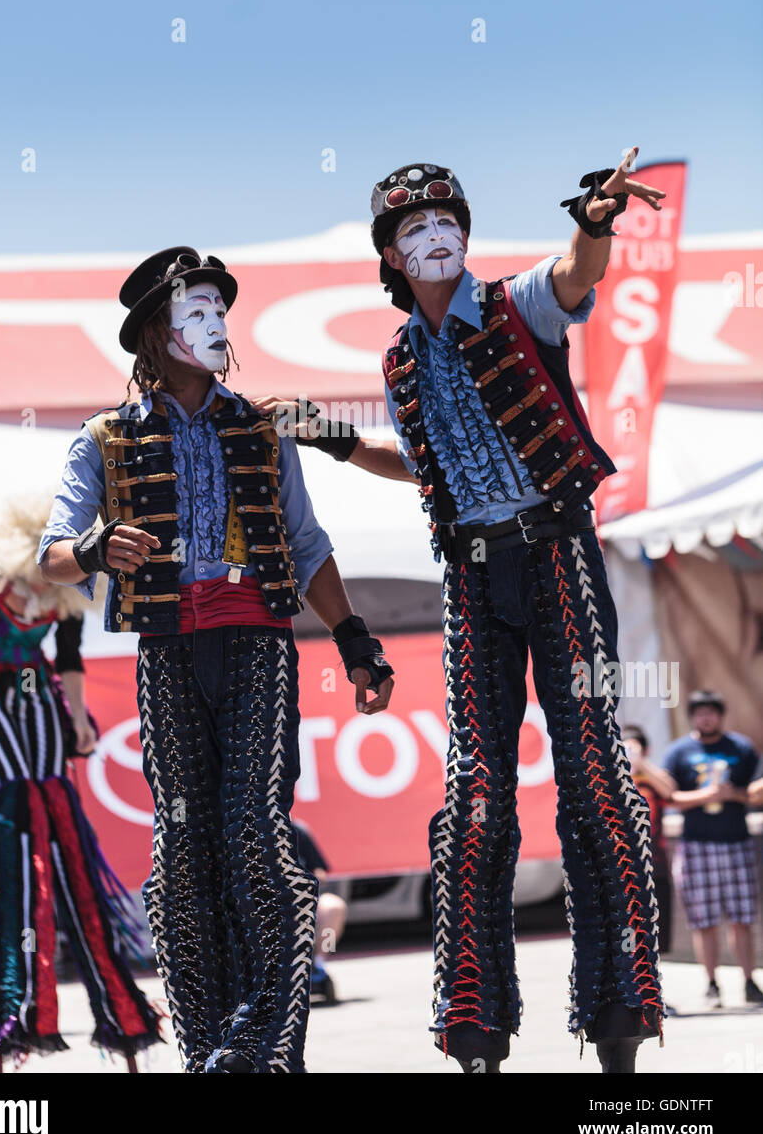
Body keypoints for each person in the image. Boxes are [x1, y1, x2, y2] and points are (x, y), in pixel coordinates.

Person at [272, 153, 667, 1074]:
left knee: (594, 779)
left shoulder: (516, 303)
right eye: (414, 229)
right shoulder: (402, 357)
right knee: (478, 801)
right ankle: (476, 1034)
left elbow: (577, 274)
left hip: (561, 558)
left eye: (447, 219)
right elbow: (424, 462)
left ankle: (619, 1030)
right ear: (392, 256)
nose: (436, 235)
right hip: (471, 576)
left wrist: (596, 222)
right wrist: (327, 437)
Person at [38, 247, 394, 1074]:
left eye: (218, 311)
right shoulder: (103, 439)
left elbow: (307, 547)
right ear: (154, 339)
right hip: (166, 651)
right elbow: (52, 553)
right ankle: (207, 1044)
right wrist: (95, 548)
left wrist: (357, 644)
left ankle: (265, 1037)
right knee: (184, 844)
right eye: (192, 313)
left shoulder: (266, 426)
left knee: (254, 832)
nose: (214, 324)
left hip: (255, 644)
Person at [0, 496, 162, 1072]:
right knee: (20, 827)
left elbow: (69, 660)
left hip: (37, 696)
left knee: (62, 821)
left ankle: (121, 1016)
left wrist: (76, 717)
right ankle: (10, 1021)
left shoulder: (70, 590)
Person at [662, 690, 763, 1008]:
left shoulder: (741, 747)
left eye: (711, 712)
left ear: (720, 715)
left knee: (742, 918)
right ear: (693, 717)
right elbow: (669, 795)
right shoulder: (680, 751)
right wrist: (706, 796)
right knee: (703, 920)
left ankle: (748, 980)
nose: (706, 718)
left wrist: (735, 794)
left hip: (736, 842)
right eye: (700, 712)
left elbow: (757, 790)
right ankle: (711, 982)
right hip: (696, 845)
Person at [622, 725, 674, 955]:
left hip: (654, 865)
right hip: (622, 868)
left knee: (657, 939)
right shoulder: (612, 780)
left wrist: (641, 763)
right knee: (628, 938)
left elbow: (670, 791)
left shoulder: (651, 778)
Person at [293, 820, 347, 1004]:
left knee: (334, 907)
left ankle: (320, 963)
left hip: (305, 897)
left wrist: (307, 881)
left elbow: (320, 869)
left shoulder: (297, 829)